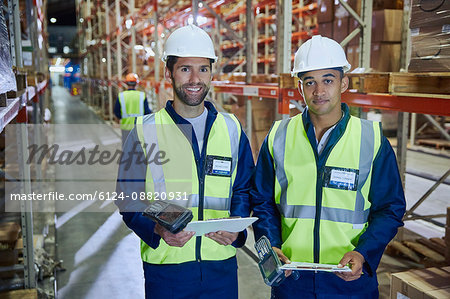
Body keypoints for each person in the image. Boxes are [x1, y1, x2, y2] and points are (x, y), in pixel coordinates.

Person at [251, 35, 406, 298]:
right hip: (292, 279)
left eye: (328, 80)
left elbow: (390, 208)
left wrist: (364, 254)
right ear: (300, 88)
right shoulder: (279, 136)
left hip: (349, 281)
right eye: (309, 82)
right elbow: (262, 201)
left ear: (343, 83)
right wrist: (271, 245)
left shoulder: (371, 139)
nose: (319, 91)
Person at [115, 24, 254, 299]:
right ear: (169, 73)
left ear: (212, 73)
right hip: (168, 270)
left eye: (203, 69)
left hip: (221, 267)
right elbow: (127, 197)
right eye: (185, 69)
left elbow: (244, 187)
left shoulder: (231, 128)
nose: (195, 78)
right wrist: (156, 229)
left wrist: (237, 229)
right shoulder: (144, 130)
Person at [114, 72, 152, 144]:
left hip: (125, 128)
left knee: (127, 150)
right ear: (136, 83)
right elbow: (147, 112)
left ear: (126, 83)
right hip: (139, 129)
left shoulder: (121, 96)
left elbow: (117, 112)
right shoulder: (142, 95)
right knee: (139, 150)